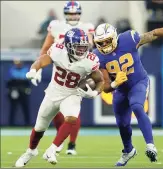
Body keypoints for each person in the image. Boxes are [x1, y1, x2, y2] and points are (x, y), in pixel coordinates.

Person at [93, 23, 163, 166]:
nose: (104, 45)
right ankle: (128, 151)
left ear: (114, 37)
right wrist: (115, 84)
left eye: (107, 41)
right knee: (122, 124)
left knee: (137, 106)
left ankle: (150, 145)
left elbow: (155, 33)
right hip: (120, 90)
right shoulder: (98, 56)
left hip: (138, 82)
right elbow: (106, 87)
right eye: (100, 42)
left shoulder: (128, 39)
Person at [15, 28, 104, 167]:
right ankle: (31, 151)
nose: (82, 50)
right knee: (39, 127)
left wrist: (95, 92)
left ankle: (52, 149)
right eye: (78, 47)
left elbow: (100, 80)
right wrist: (34, 69)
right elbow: (41, 60)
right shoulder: (57, 50)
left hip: (72, 93)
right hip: (53, 92)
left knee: (72, 118)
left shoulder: (89, 61)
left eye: (84, 47)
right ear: (68, 46)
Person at [32, 1, 95, 155]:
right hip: (59, 68)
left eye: (76, 13)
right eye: (70, 13)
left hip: (78, 69)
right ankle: (59, 141)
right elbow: (46, 48)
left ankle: (72, 144)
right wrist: (37, 67)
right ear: (65, 13)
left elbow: (91, 48)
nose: (73, 16)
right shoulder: (56, 26)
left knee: (73, 109)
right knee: (55, 109)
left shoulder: (86, 27)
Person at [6, 58, 31, 126]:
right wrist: (11, 90)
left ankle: (27, 123)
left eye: (19, 63)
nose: (18, 64)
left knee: (25, 108)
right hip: (15, 91)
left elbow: (28, 82)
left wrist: (27, 89)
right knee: (13, 108)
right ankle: (11, 123)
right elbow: (9, 82)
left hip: (23, 91)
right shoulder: (12, 70)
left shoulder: (25, 70)